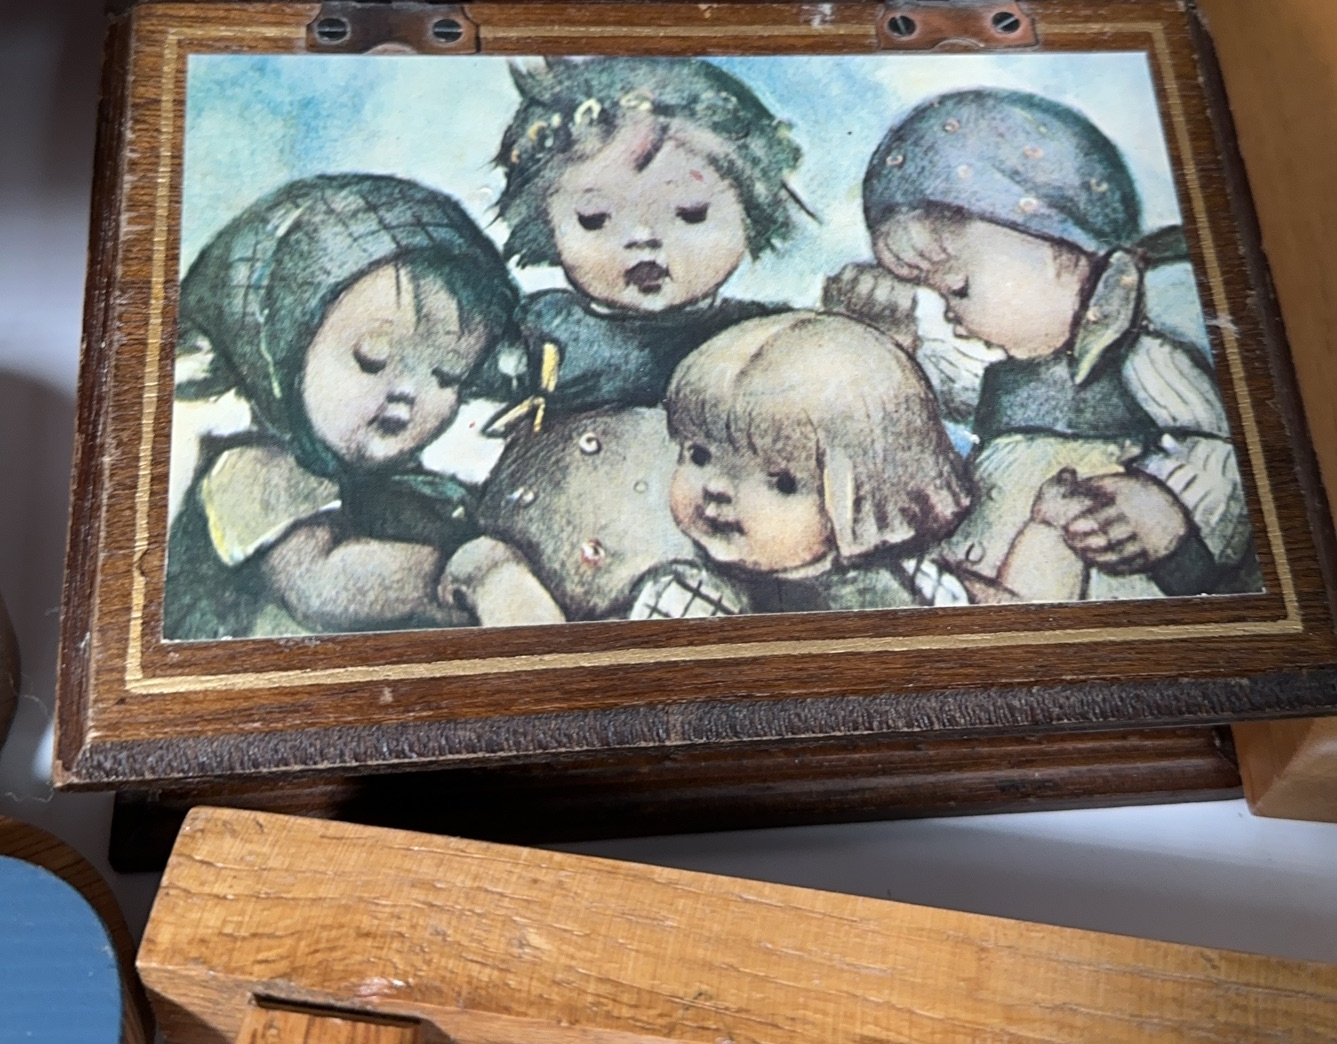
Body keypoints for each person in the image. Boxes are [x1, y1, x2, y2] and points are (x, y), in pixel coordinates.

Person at [853, 88, 1257, 600]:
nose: (949, 313)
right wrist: (896, 348)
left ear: (1063, 249)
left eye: (958, 287)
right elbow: (952, 399)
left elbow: (1222, 454)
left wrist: (1164, 511)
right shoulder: (1016, 367)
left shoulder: (1143, 353)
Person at [164, 172, 518, 639]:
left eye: (446, 375)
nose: (407, 391)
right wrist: (461, 571)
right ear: (285, 351)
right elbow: (321, 587)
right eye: (372, 359)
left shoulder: (410, 490)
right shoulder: (256, 468)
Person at [492, 56, 805, 420]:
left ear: (752, 212)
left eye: (690, 213)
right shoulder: (542, 326)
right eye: (595, 219)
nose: (643, 238)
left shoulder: (760, 335)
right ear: (544, 223)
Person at [628, 312, 974, 618]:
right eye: (700, 455)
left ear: (865, 499)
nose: (717, 487)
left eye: (783, 482)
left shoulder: (920, 587)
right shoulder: (684, 599)